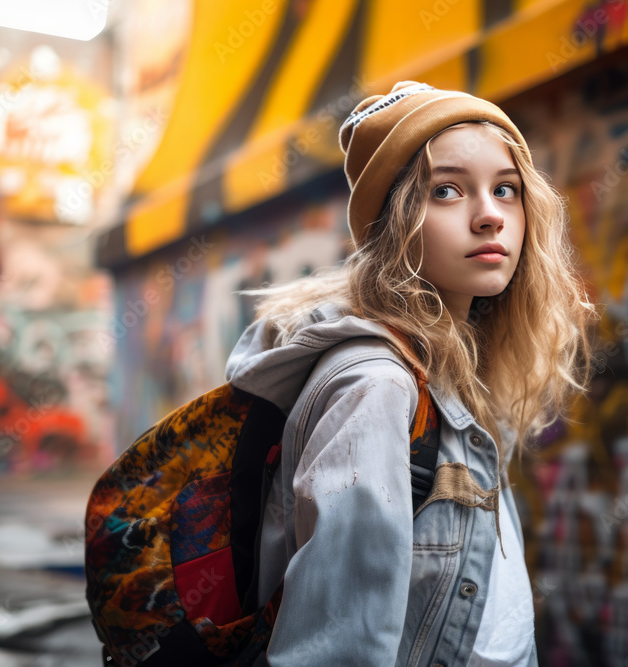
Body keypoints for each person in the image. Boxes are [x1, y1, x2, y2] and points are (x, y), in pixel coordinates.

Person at [224, 81, 594, 667]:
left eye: (506, 189)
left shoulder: (454, 368)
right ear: (393, 225)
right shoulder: (378, 385)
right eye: (446, 191)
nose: (490, 216)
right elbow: (335, 648)